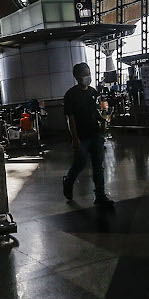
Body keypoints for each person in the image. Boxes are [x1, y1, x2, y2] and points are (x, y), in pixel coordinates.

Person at [62, 62, 114, 207]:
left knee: (98, 165)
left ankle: (100, 195)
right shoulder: (70, 95)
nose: (88, 76)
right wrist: (74, 138)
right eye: (85, 74)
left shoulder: (93, 92)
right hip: (81, 136)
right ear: (77, 76)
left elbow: (97, 111)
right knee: (80, 163)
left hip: (95, 134)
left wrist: (105, 118)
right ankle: (68, 182)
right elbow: (70, 118)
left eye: (89, 72)